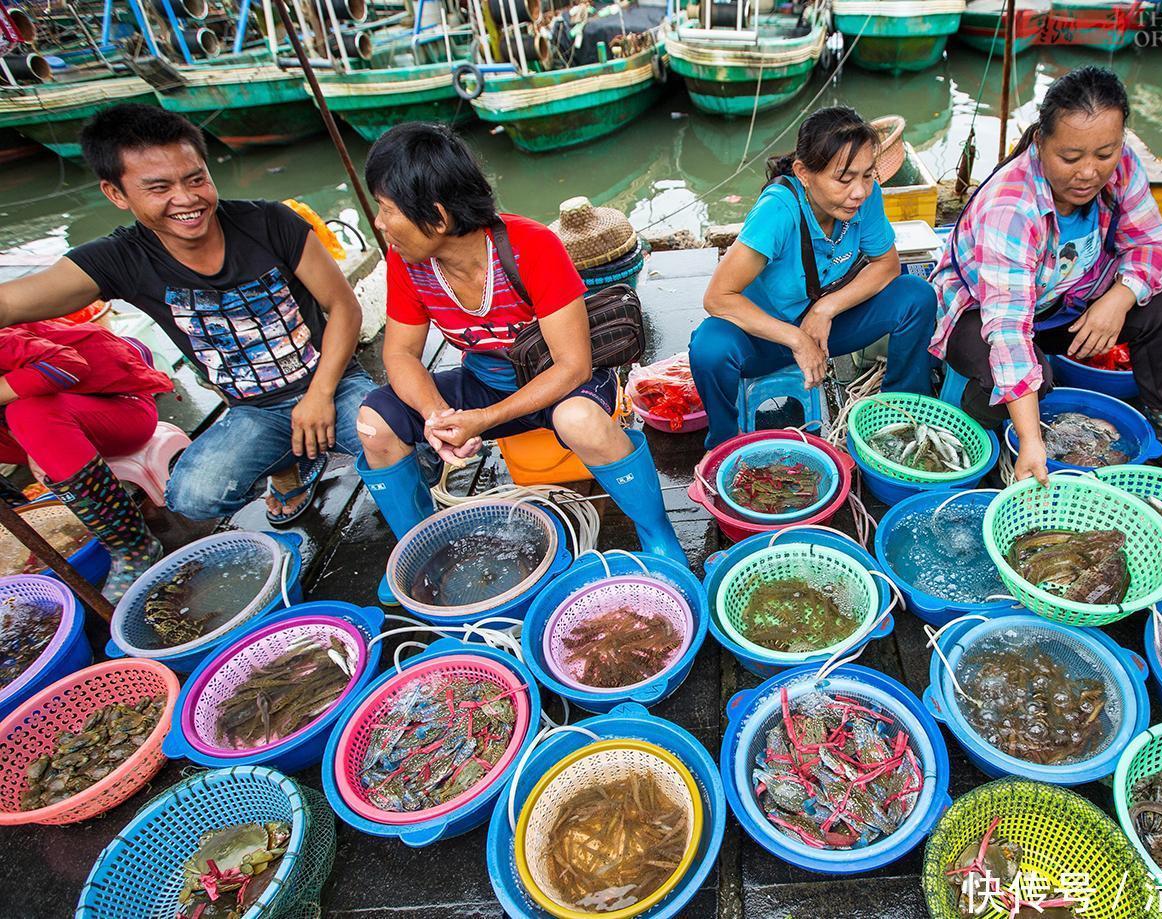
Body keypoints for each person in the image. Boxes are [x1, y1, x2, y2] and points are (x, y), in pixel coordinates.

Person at [354, 123, 688, 604]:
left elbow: (573, 366)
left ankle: (658, 534)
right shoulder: (408, 261)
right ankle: (423, 552)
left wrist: (485, 420)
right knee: (373, 425)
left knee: (581, 420)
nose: (382, 223)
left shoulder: (530, 246)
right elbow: (400, 353)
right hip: (483, 382)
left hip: (556, 383)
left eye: (387, 209)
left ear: (438, 215)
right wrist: (436, 417)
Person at [0, 103, 372, 526]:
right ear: (116, 194)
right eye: (159, 188)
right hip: (254, 410)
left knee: (401, 444)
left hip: (333, 382)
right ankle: (290, 467)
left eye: (196, 179)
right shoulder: (121, 258)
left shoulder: (271, 221)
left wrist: (320, 394)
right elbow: (12, 302)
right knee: (192, 498)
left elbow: (342, 306)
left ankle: (309, 446)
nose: (186, 199)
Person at [929, 66, 1162, 483]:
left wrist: (1119, 297)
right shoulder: (1011, 207)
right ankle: (976, 428)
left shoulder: (1122, 167)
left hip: (1064, 303)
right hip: (982, 313)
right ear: (1040, 142)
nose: (1088, 172)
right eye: (1070, 157)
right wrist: (1033, 442)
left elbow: (1151, 244)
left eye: (1104, 154)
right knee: (1033, 377)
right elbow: (1008, 330)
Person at [689, 106, 937, 449]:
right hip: (762, 339)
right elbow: (717, 297)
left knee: (916, 296)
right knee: (709, 348)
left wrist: (825, 310)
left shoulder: (864, 199)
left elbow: (887, 265)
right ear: (804, 173)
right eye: (844, 178)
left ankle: (901, 415)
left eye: (867, 175)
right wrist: (797, 339)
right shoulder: (778, 210)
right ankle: (724, 441)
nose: (859, 192)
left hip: (826, 330)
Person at [0, 320, 173, 599]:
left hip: (120, 405)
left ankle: (134, 547)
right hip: (52, 428)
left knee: (27, 413)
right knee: (25, 419)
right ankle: (36, 527)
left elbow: (65, 365)